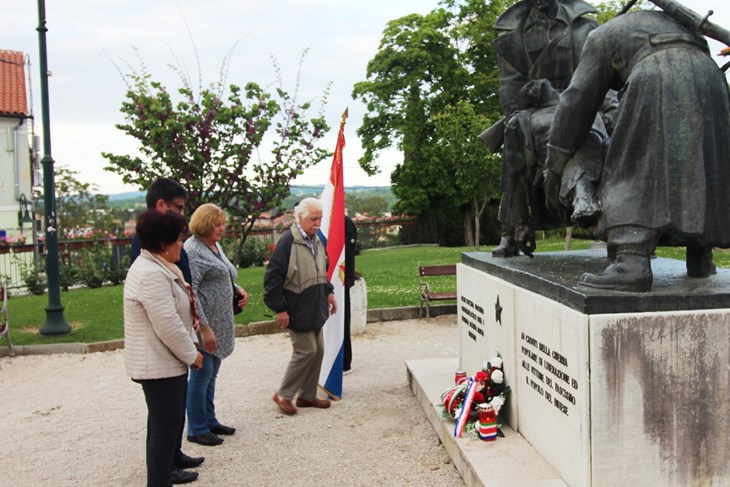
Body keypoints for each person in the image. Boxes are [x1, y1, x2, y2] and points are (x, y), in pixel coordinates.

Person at [545, 9, 730, 292]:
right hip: (712, 79)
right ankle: (700, 256)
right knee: (701, 161)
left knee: (630, 165)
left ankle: (630, 262)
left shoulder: (599, 38)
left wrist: (555, 162)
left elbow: (576, 102)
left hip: (656, 76)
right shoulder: (674, 25)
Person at [489, 0, 613, 257]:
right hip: (534, 112)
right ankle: (513, 228)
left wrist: (612, 111)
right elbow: (509, 87)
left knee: (590, 129)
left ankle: (598, 206)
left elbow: (602, 76)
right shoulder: (514, 37)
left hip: (581, 105)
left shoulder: (584, 28)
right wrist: (516, 113)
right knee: (516, 141)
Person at [129, 178, 203, 484]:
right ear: (163, 244)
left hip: (163, 362)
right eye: (178, 240)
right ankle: (159, 480)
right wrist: (192, 354)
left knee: (166, 423)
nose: (182, 245)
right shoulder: (150, 274)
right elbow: (167, 323)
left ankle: (162, 475)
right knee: (164, 427)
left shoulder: (159, 265)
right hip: (157, 362)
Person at [264, 197, 337, 415]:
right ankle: (284, 395)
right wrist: (280, 308)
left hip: (315, 305)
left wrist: (329, 292)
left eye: (320, 219)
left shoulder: (316, 239)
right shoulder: (288, 242)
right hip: (297, 307)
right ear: (300, 218)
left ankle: (307, 396)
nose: (318, 223)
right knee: (307, 350)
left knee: (319, 349)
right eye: (314, 219)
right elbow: (272, 279)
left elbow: (321, 270)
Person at [184, 203, 248, 445]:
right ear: (204, 225)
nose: (222, 228)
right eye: (217, 224)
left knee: (212, 374)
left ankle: (209, 420)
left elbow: (224, 274)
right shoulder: (192, 251)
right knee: (202, 375)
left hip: (221, 321)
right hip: (207, 324)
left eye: (223, 224)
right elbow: (192, 292)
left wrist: (238, 290)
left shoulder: (213, 246)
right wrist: (203, 327)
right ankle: (197, 428)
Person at [343, 215, 358, 374]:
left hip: (341, 280)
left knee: (343, 322)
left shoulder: (345, 221)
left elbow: (349, 249)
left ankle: (345, 361)